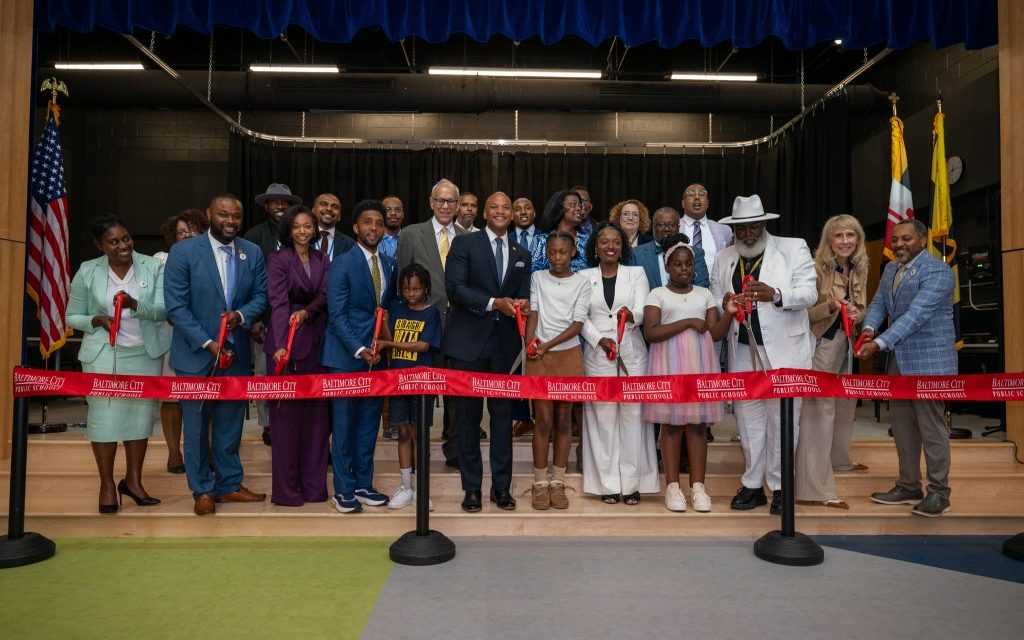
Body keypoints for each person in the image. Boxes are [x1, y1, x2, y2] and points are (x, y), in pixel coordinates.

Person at [710, 195, 816, 514]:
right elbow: (716, 299)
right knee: (748, 419)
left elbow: (810, 293)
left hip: (784, 350)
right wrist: (726, 301)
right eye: (741, 228)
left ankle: (781, 486)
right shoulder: (724, 257)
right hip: (742, 348)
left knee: (783, 419)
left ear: (765, 224)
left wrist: (777, 294)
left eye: (754, 225)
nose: (748, 233)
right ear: (734, 229)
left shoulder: (793, 247)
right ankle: (753, 485)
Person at [164, 194, 269, 516]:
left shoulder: (251, 252)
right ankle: (203, 490)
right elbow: (176, 307)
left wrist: (241, 315)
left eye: (236, 216)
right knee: (195, 427)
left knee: (230, 423)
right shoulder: (183, 252)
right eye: (224, 215)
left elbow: (261, 296)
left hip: (235, 356)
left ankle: (229, 485)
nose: (231, 221)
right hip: (196, 356)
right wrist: (208, 342)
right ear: (210, 215)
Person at [67, 215, 170, 513]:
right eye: (114, 242)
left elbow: (164, 310)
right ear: (100, 245)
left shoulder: (153, 266)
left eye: (126, 238)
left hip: (144, 354)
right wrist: (94, 320)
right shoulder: (88, 271)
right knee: (103, 421)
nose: (123, 245)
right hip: (102, 356)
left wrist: (136, 305)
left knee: (139, 421)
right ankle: (107, 485)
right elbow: (71, 316)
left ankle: (134, 481)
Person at [857, 218, 957, 517]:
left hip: (930, 364)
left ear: (923, 240)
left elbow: (916, 315)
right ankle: (909, 485)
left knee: (932, 429)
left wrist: (878, 344)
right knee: (901, 427)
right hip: (899, 363)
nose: (899, 244)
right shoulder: (890, 269)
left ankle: (940, 492)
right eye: (895, 239)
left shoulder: (938, 271)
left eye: (906, 239)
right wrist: (869, 329)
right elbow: (878, 305)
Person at [443, 191, 532, 513]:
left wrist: (522, 304)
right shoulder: (465, 244)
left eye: (506, 207)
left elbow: (524, 295)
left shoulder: (522, 252)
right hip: (467, 344)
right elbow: (454, 288)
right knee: (466, 421)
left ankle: (501, 488)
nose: (500, 211)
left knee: (502, 420)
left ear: (512, 213)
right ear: (484, 211)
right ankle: (472, 490)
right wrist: (495, 303)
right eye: (494, 206)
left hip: (505, 347)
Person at [321, 199, 397, 514]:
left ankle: (364, 484)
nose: (374, 228)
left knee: (368, 425)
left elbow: (384, 312)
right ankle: (343, 489)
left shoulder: (389, 264)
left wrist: (383, 346)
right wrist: (358, 348)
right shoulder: (341, 263)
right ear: (356, 228)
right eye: (368, 222)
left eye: (379, 223)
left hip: (376, 359)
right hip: (345, 358)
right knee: (343, 426)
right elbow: (336, 314)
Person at [643, 238, 729, 512]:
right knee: (671, 426)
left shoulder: (704, 294)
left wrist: (729, 313)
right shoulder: (657, 293)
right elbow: (651, 332)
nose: (683, 269)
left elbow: (714, 333)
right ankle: (672, 487)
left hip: (699, 364)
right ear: (667, 266)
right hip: (668, 365)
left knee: (697, 425)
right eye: (677, 264)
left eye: (688, 264)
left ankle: (698, 488)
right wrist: (688, 322)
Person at [580, 222, 658, 505]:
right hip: (598, 354)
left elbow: (643, 308)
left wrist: (632, 314)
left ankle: (633, 484)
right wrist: (599, 339)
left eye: (615, 242)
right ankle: (607, 484)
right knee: (602, 421)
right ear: (595, 247)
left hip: (632, 353)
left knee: (633, 419)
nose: (610, 246)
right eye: (604, 242)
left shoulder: (636, 273)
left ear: (622, 247)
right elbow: (580, 316)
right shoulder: (584, 276)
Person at [795, 214, 869, 509]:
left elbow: (861, 308)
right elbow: (800, 314)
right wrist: (829, 306)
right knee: (817, 412)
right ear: (828, 240)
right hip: (819, 344)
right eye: (839, 236)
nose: (845, 241)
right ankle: (814, 489)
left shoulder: (859, 266)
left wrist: (856, 314)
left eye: (851, 235)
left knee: (843, 405)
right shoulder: (814, 268)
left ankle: (839, 459)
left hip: (845, 344)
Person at [395, 178, 469, 468]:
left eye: (451, 201)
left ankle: (454, 451)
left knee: (457, 394)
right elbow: (403, 281)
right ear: (431, 202)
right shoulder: (412, 234)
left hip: (461, 328)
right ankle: (417, 460)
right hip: (422, 329)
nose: (446, 206)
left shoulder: (468, 236)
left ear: (459, 205)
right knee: (421, 396)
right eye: (441, 200)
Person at [265, 205, 330, 506]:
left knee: (317, 421)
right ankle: (288, 492)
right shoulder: (278, 259)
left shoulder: (322, 258)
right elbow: (278, 303)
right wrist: (280, 344)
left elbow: (326, 296)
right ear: (288, 231)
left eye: (308, 226)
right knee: (286, 423)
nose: (304, 231)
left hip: (317, 342)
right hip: (286, 343)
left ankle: (315, 488)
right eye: (297, 226)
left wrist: (308, 311)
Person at [524, 232, 590, 510]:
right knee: (543, 420)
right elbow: (534, 313)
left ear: (573, 252)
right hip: (539, 356)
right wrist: (530, 343)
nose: (557, 257)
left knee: (564, 421)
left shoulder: (583, 282)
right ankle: (540, 482)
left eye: (563, 252)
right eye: (552, 252)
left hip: (569, 355)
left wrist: (547, 344)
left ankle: (558, 481)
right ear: (547, 253)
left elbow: (578, 324)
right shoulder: (538, 277)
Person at [376, 263, 442, 510]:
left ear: (425, 288)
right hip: (398, 381)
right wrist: (382, 322)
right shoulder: (396, 307)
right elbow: (389, 337)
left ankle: (422, 490)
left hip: (422, 382)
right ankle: (406, 488)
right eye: (405, 289)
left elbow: (423, 346)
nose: (410, 293)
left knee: (419, 436)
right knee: (403, 434)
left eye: (415, 289)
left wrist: (389, 345)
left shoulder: (431, 313)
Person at [246, 183, 301, 446]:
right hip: (265, 320)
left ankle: (289, 421)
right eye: (274, 202)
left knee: (294, 372)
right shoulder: (254, 236)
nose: (279, 206)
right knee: (263, 373)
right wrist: (255, 318)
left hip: (297, 319)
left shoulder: (299, 234)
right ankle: (268, 425)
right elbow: (248, 281)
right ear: (266, 206)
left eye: (284, 202)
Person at [153, 208, 208, 474]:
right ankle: (174, 453)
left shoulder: (209, 257)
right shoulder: (161, 259)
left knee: (202, 399)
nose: (186, 235)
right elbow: (158, 297)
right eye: (180, 232)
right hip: (171, 335)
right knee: (172, 398)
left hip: (202, 336)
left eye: (192, 230)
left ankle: (200, 452)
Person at [510, 196, 540, 437]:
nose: (522, 212)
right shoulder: (504, 240)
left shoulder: (546, 238)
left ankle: (541, 416)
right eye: (517, 208)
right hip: (513, 311)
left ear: (534, 212)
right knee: (516, 363)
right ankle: (521, 416)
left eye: (527, 207)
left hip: (543, 310)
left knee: (539, 360)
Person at [631, 207, 709, 288]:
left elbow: (702, 286)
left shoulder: (695, 253)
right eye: (661, 225)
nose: (666, 229)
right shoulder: (636, 254)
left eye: (672, 225)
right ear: (653, 227)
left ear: (679, 227)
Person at [678, 183, 733, 278]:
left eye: (702, 194)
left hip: (714, 289)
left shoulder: (724, 230)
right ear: (683, 203)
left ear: (707, 203)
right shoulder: (674, 228)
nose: (697, 197)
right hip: (681, 289)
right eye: (691, 194)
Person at [531, 189, 589, 273]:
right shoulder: (541, 240)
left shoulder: (587, 241)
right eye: (573, 205)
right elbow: (533, 273)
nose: (579, 208)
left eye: (579, 206)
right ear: (559, 208)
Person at [312, 192, 356, 261]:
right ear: (313, 211)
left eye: (335, 207)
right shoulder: (302, 238)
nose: (329, 209)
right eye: (324, 204)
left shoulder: (350, 245)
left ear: (339, 216)